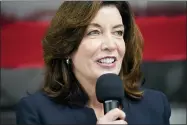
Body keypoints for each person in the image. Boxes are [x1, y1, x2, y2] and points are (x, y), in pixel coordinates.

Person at [16, 1, 171, 124]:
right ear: (68, 47)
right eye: (94, 32)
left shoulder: (156, 105)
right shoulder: (36, 112)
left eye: (118, 32)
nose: (110, 45)